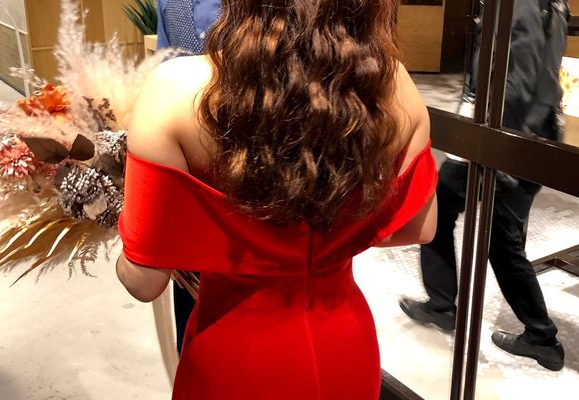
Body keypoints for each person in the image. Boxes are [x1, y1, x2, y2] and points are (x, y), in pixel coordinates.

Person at [116, 1, 438, 398]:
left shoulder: (175, 89)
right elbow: (419, 228)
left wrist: (122, 220)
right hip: (343, 344)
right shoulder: (393, 85)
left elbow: (144, 281)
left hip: (234, 352)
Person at [399, 0, 570, 372]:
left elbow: (518, 77)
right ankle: (447, 304)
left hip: (506, 136)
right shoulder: (552, 3)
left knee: (481, 230)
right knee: (476, 225)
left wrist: (497, 149)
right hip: (528, 132)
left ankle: (539, 336)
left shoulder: (517, 3)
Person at [155, 0, 222, 354]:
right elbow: (163, 70)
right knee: (190, 310)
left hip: (255, 168)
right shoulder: (170, 1)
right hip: (189, 174)